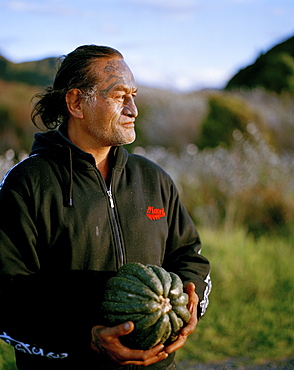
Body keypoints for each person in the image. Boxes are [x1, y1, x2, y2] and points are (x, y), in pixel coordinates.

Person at [0, 45, 211, 370]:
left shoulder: (153, 179)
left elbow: (188, 256)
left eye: (134, 95)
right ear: (75, 103)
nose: (133, 109)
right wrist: (86, 336)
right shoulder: (27, 183)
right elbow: (7, 292)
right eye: (119, 96)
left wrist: (188, 303)